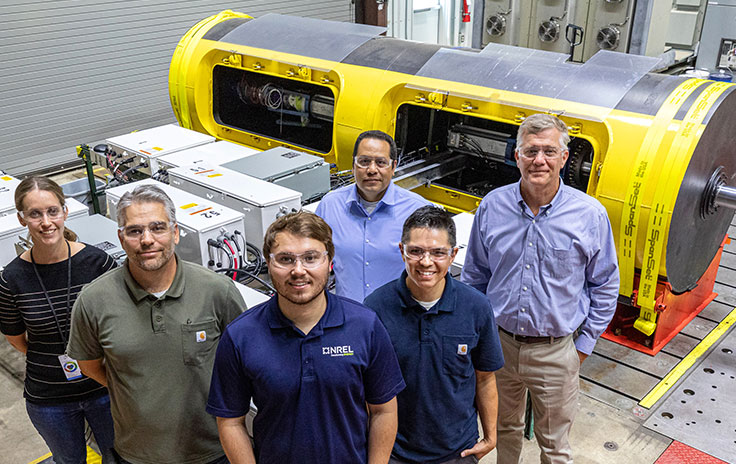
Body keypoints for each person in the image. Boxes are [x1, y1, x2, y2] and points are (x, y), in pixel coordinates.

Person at [461, 114, 619, 464]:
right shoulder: (492, 206)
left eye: (549, 151)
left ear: (564, 158)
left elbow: (605, 284)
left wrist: (582, 346)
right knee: (502, 429)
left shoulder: (589, 215)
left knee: (555, 446)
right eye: (531, 151)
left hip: (557, 351)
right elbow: (474, 277)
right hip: (498, 345)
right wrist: (477, 336)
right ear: (516, 155)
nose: (539, 160)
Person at [67, 184, 247, 464]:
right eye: (135, 231)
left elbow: (244, 362)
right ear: (121, 237)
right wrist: (133, 389)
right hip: (137, 454)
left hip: (213, 450)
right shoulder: (93, 300)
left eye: (157, 228)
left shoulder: (217, 292)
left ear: (175, 233)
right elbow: (89, 364)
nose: (147, 239)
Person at [207, 211, 405, 463]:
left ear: (330, 261)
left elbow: (384, 411)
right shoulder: (240, 336)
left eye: (310, 258)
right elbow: (230, 421)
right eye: (286, 259)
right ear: (269, 264)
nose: (298, 270)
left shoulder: (365, 326)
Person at [365, 205, 504, 464]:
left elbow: (485, 379)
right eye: (416, 251)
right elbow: (367, 388)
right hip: (395, 452)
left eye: (438, 252)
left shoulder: (476, 307)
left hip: (458, 451)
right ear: (402, 251)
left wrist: (490, 437)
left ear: (453, 255)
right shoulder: (375, 309)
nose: (426, 262)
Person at [0, 176, 116, 464]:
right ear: (22, 219)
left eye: (52, 211)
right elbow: (17, 340)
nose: (46, 222)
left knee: (121, 458)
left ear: (65, 211)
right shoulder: (11, 280)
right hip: (50, 398)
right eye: (35, 214)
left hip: (105, 389)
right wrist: (54, 356)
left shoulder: (99, 264)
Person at [315, 130, 430, 302]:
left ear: (393, 167)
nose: (372, 170)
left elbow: (435, 275)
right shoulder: (330, 206)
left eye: (381, 162)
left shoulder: (418, 210)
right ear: (353, 166)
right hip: (348, 317)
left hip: (398, 320)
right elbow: (314, 262)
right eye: (364, 161)